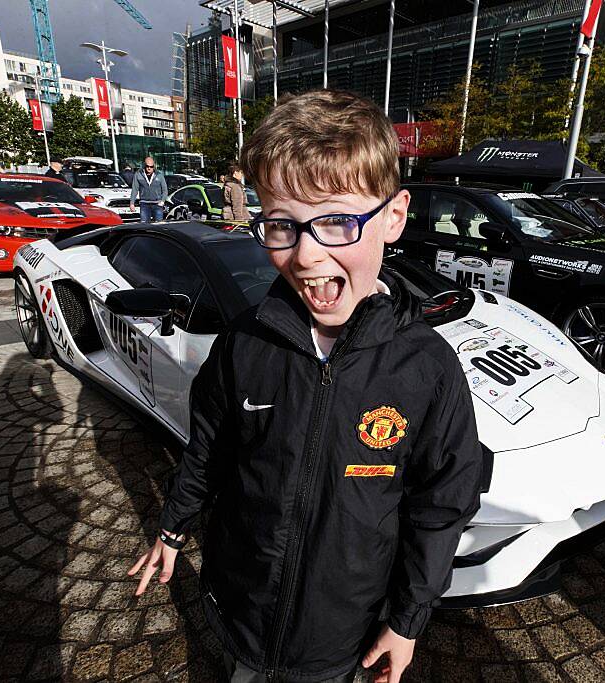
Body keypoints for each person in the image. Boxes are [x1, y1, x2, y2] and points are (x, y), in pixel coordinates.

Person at [127, 90, 482, 683]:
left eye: (338, 221)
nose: (306, 254)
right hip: (242, 613)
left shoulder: (426, 367)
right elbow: (208, 450)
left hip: (343, 635)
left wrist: (408, 619)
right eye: (281, 226)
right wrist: (172, 525)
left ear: (393, 218)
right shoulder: (245, 344)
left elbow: (441, 504)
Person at [129, 156, 168, 223]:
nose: (149, 168)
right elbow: (135, 189)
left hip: (157, 204)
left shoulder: (159, 175)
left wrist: (162, 201)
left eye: (151, 166)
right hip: (144, 204)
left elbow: (165, 190)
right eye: (147, 166)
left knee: (159, 225)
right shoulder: (138, 174)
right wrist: (132, 203)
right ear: (144, 165)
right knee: (144, 225)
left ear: (154, 166)